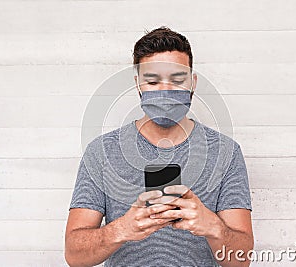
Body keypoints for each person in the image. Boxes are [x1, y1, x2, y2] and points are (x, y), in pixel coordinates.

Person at [65, 26, 254, 267]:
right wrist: (122, 228)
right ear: (138, 85)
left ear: (193, 83)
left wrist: (213, 227)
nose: (165, 92)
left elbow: (242, 260)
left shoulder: (226, 153)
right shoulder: (102, 152)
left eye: (177, 80)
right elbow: (74, 255)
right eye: (152, 81)